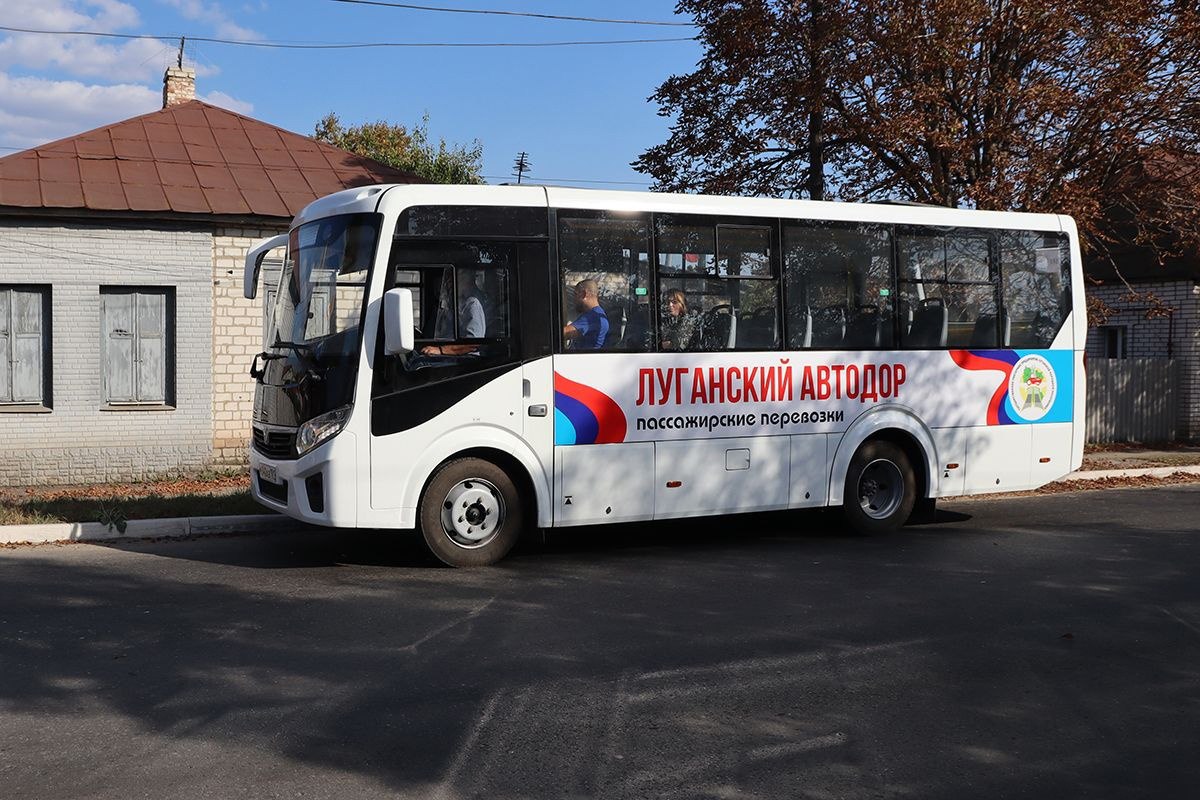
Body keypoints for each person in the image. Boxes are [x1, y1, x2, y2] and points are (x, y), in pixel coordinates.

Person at [422, 269, 486, 357]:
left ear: (467, 279)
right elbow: (429, 336)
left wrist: (441, 350)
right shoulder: (444, 305)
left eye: (451, 278)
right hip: (440, 358)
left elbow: (473, 344)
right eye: (447, 278)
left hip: (462, 362)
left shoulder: (471, 304)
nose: (448, 282)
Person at [562, 279, 608, 350]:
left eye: (575, 295)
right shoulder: (597, 314)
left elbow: (564, 334)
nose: (573, 300)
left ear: (583, 294)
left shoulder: (593, 317)